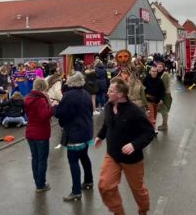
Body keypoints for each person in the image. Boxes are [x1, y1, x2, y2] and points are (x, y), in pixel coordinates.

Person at [95, 77, 156, 215]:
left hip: (132, 159)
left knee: (138, 190)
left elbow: (149, 132)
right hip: (112, 155)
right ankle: (118, 212)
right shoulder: (108, 106)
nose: (107, 93)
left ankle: (143, 210)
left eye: (111, 91)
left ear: (120, 94)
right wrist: (100, 136)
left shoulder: (135, 111)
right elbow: (107, 124)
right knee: (105, 186)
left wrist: (134, 145)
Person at [53, 72, 94, 202]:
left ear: (71, 82)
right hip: (86, 131)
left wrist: (54, 107)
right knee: (84, 156)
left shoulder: (68, 96)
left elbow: (60, 113)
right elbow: (91, 110)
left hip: (75, 133)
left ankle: (76, 191)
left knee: (73, 161)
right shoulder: (86, 94)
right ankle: (89, 181)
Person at [24, 78, 53, 193]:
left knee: (35, 158)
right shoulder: (41, 100)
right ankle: (41, 184)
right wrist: (52, 108)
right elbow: (43, 116)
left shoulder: (28, 98)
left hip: (30, 132)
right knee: (42, 160)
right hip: (41, 133)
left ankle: (37, 182)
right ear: (43, 88)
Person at [157, 62, 173, 130]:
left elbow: (165, 86)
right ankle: (164, 124)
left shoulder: (165, 74)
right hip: (162, 94)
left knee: (164, 109)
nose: (159, 68)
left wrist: (161, 97)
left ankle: (165, 125)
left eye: (160, 67)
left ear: (163, 68)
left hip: (165, 94)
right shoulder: (159, 74)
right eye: (158, 67)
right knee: (162, 109)